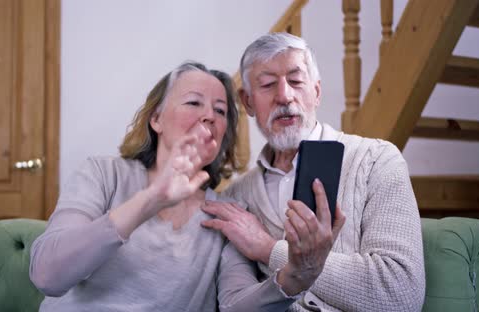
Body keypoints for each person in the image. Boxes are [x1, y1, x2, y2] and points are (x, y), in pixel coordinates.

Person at [29, 61, 343, 312]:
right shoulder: (103, 174)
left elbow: (234, 305)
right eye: (194, 102)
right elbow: (47, 274)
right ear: (156, 119)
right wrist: (150, 201)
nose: (209, 116)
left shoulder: (228, 213)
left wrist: (295, 277)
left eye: (220, 111)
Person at [201, 33, 426, 311]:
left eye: (296, 81)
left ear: (316, 92)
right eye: (268, 84)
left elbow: (401, 295)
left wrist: (268, 249)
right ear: (247, 102)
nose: (284, 96)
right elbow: (234, 305)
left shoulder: (376, 161)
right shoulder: (237, 197)